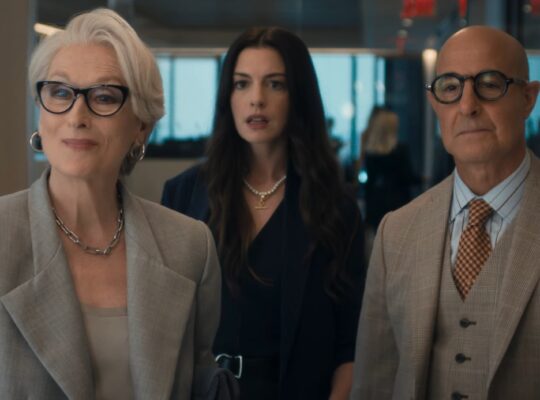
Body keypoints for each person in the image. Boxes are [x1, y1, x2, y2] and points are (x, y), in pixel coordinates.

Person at [0, 9, 221, 399]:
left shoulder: (190, 247)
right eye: (60, 92)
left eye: (103, 97)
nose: (77, 116)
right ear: (40, 110)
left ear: (141, 126)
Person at [162, 27, 365, 400]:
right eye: (242, 84)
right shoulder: (183, 195)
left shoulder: (336, 208)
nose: (256, 99)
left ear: (297, 96)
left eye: (275, 84)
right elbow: (161, 324)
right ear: (228, 97)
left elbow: (349, 343)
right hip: (205, 392)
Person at [350, 26, 540, 399]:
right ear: (435, 103)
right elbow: (374, 382)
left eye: (489, 84)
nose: (467, 106)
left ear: (528, 99)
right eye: (450, 87)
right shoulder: (396, 232)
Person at [358, 107, 420, 232]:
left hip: (376, 203)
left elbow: (369, 183)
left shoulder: (370, 153)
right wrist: (422, 179)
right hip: (398, 202)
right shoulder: (400, 150)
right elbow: (407, 177)